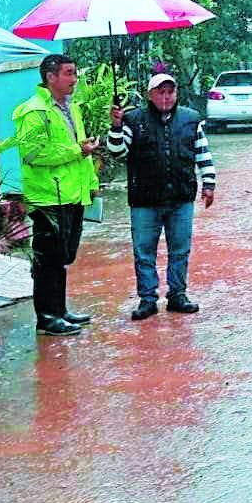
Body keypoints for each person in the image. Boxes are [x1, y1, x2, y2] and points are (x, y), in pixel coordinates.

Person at [106, 72, 216, 319]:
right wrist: (116, 126)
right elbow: (116, 152)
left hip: (181, 197)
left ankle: (177, 294)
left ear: (176, 94)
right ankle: (147, 299)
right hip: (144, 199)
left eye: (170, 92)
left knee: (180, 249)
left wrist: (209, 184)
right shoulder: (133, 120)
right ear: (150, 95)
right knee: (144, 251)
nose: (166, 97)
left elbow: (203, 153)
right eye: (160, 92)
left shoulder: (190, 119)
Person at [12, 54, 99, 336]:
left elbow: (82, 151)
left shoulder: (71, 108)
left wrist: (91, 182)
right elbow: (33, 154)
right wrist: (77, 151)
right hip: (48, 197)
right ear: (50, 77)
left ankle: (59, 310)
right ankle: (47, 317)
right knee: (48, 258)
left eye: (75, 73)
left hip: (71, 193)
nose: (74, 79)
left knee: (63, 256)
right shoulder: (33, 112)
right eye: (69, 73)